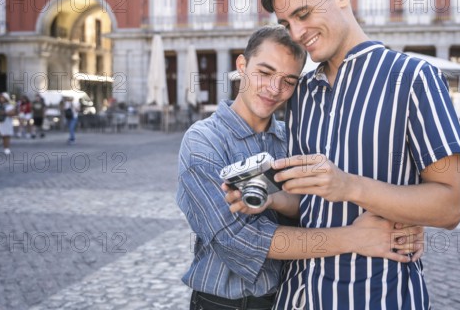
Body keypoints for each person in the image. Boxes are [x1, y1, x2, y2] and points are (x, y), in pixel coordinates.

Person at [254, 0, 460, 309]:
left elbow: (451, 206)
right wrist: (264, 196)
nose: (297, 32)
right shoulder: (300, 93)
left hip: (376, 298)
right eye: (287, 24)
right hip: (296, 297)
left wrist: (349, 186)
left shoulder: (416, 78)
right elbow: (308, 203)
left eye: (303, 14)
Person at [176, 26, 423, 310]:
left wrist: (402, 223)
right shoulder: (203, 141)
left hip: (291, 299)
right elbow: (241, 241)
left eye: (288, 80)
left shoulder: (294, 138)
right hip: (224, 304)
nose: (274, 89)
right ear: (242, 66)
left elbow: (313, 207)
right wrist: (356, 238)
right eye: (265, 73)